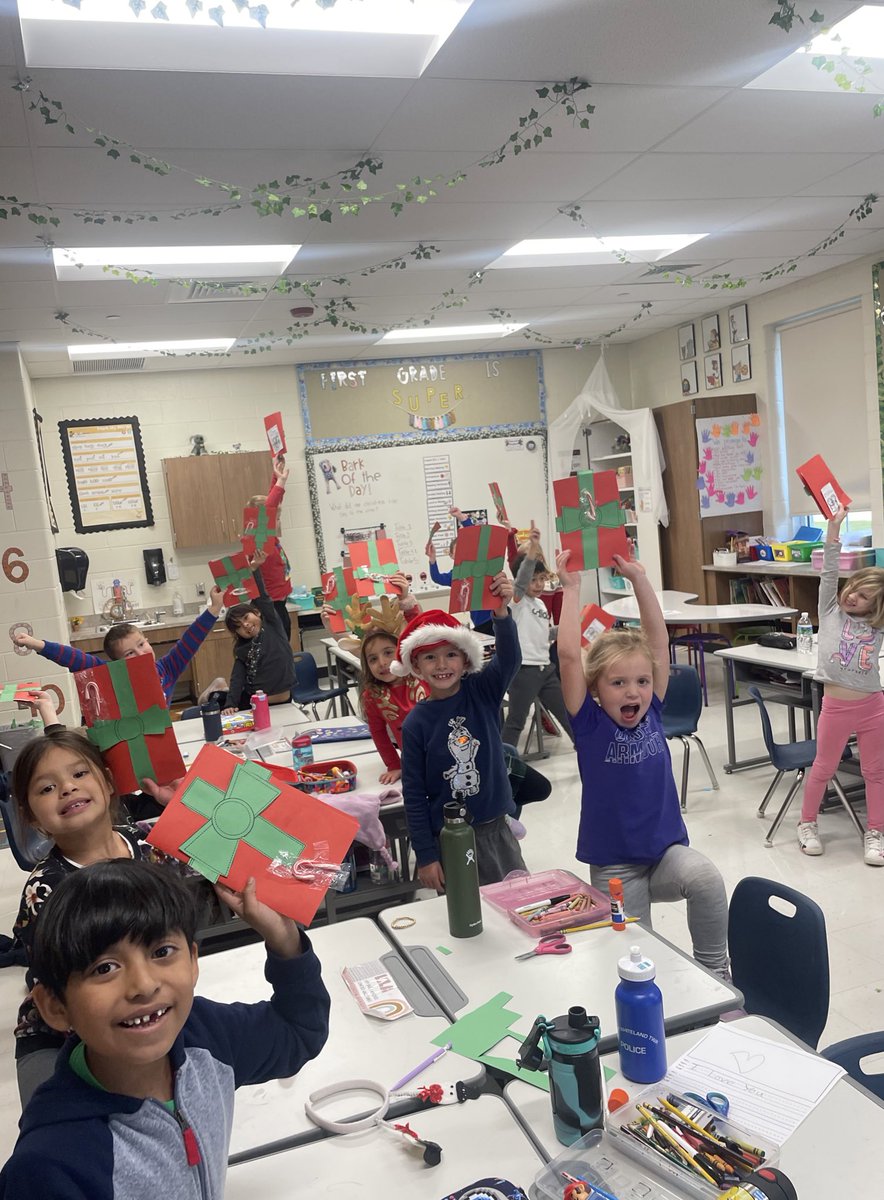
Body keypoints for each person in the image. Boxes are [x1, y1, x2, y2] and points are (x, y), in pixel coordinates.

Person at [0, 859, 329, 1199]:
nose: (144, 985)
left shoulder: (205, 1036)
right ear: (56, 1006)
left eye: (162, 951)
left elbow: (299, 1031)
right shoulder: (50, 1167)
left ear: (193, 961)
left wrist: (283, 939)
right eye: (105, 968)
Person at [556, 547, 729, 975]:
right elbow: (568, 658)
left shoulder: (653, 710)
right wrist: (571, 589)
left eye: (641, 681)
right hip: (616, 865)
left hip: (665, 852)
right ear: (596, 687)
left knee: (707, 879)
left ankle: (717, 975)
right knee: (636, 957)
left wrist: (638, 579)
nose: (633, 692)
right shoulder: (589, 723)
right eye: (618, 683)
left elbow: (658, 639)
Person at [8, 706, 186, 1108]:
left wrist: (183, 806)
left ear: (108, 783)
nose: (67, 789)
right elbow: (68, 999)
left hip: (142, 1009)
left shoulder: (143, 846)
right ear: (33, 819)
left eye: (79, 774)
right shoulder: (46, 890)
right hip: (61, 1037)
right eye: (46, 788)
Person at [396, 576, 527, 888]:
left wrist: (501, 614)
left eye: (451, 654)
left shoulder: (481, 692)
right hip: (450, 838)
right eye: (430, 657)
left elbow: (510, 661)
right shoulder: (417, 722)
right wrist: (426, 856)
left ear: (466, 658)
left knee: (517, 903)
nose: (442, 664)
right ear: (416, 666)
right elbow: (413, 794)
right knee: (465, 916)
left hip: (497, 830)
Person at [798, 504, 884, 864]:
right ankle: (807, 823)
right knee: (824, 766)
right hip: (835, 706)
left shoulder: (878, 625)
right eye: (853, 589)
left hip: (873, 706)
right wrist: (834, 528)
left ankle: (875, 832)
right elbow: (830, 572)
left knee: (875, 771)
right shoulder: (830, 610)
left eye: (863, 595)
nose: (852, 596)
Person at [13, 587, 225, 707]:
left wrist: (214, 608)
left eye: (142, 645)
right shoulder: (111, 676)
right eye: (130, 653)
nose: (141, 654)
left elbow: (190, 640)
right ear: (118, 663)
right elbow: (75, 659)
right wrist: (37, 645)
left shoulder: (166, 670)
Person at [502, 521, 574, 750]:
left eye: (542, 578)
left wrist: (568, 629)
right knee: (515, 721)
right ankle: (504, 765)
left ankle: (586, 750)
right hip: (524, 670)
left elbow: (544, 632)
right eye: (534, 580)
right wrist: (533, 549)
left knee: (567, 715)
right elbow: (521, 580)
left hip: (546, 669)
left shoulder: (541, 604)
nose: (539, 584)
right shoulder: (518, 600)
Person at [356, 575, 424, 784]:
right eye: (373, 659)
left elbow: (420, 629)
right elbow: (379, 734)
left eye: (388, 652)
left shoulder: (421, 674)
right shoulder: (372, 695)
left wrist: (405, 599)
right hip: (415, 765)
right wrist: (394, 764)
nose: (383, 663)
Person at [223, 549, 296, 713]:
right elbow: (237, 678)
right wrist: (230, 704)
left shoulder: (272, 624)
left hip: (280, 700)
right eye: (240, 626)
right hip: (253, 703)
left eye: (246, 618)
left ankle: (218, 688)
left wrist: (255, 568)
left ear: (257, 613)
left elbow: (262, 596)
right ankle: (216, 691)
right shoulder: (242, 649)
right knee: (217, 702)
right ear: (237, 634)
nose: (246, 625)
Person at [248, 454, 294, 642]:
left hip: (278, 605)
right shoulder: (259, 540)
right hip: (269, 608)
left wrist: (276, 474)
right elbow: (270, 507)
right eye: (275, 518)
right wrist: (281, 482)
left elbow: (273, 503)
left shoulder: (270, 539)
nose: (277, 522)